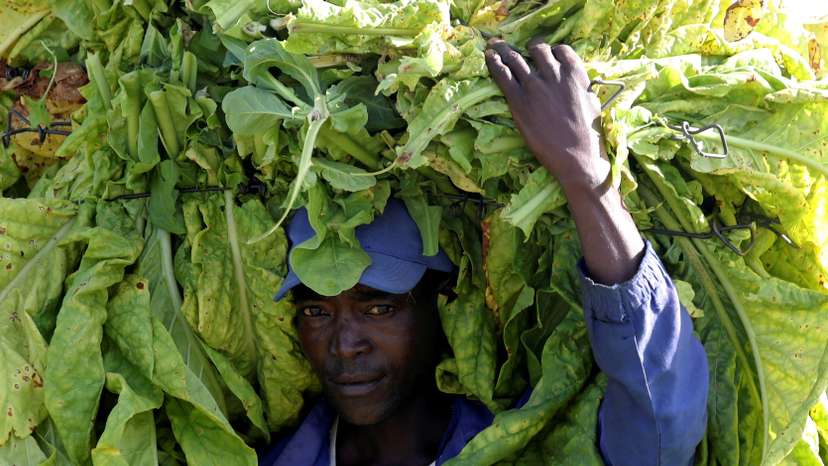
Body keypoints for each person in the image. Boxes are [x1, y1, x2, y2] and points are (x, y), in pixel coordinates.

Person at [258, 40, 709, 466]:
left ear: (449, 304)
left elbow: (658, 432)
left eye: (378, 307)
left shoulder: (519, 447)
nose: (344, 346)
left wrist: (585, 177)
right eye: (316, 311)